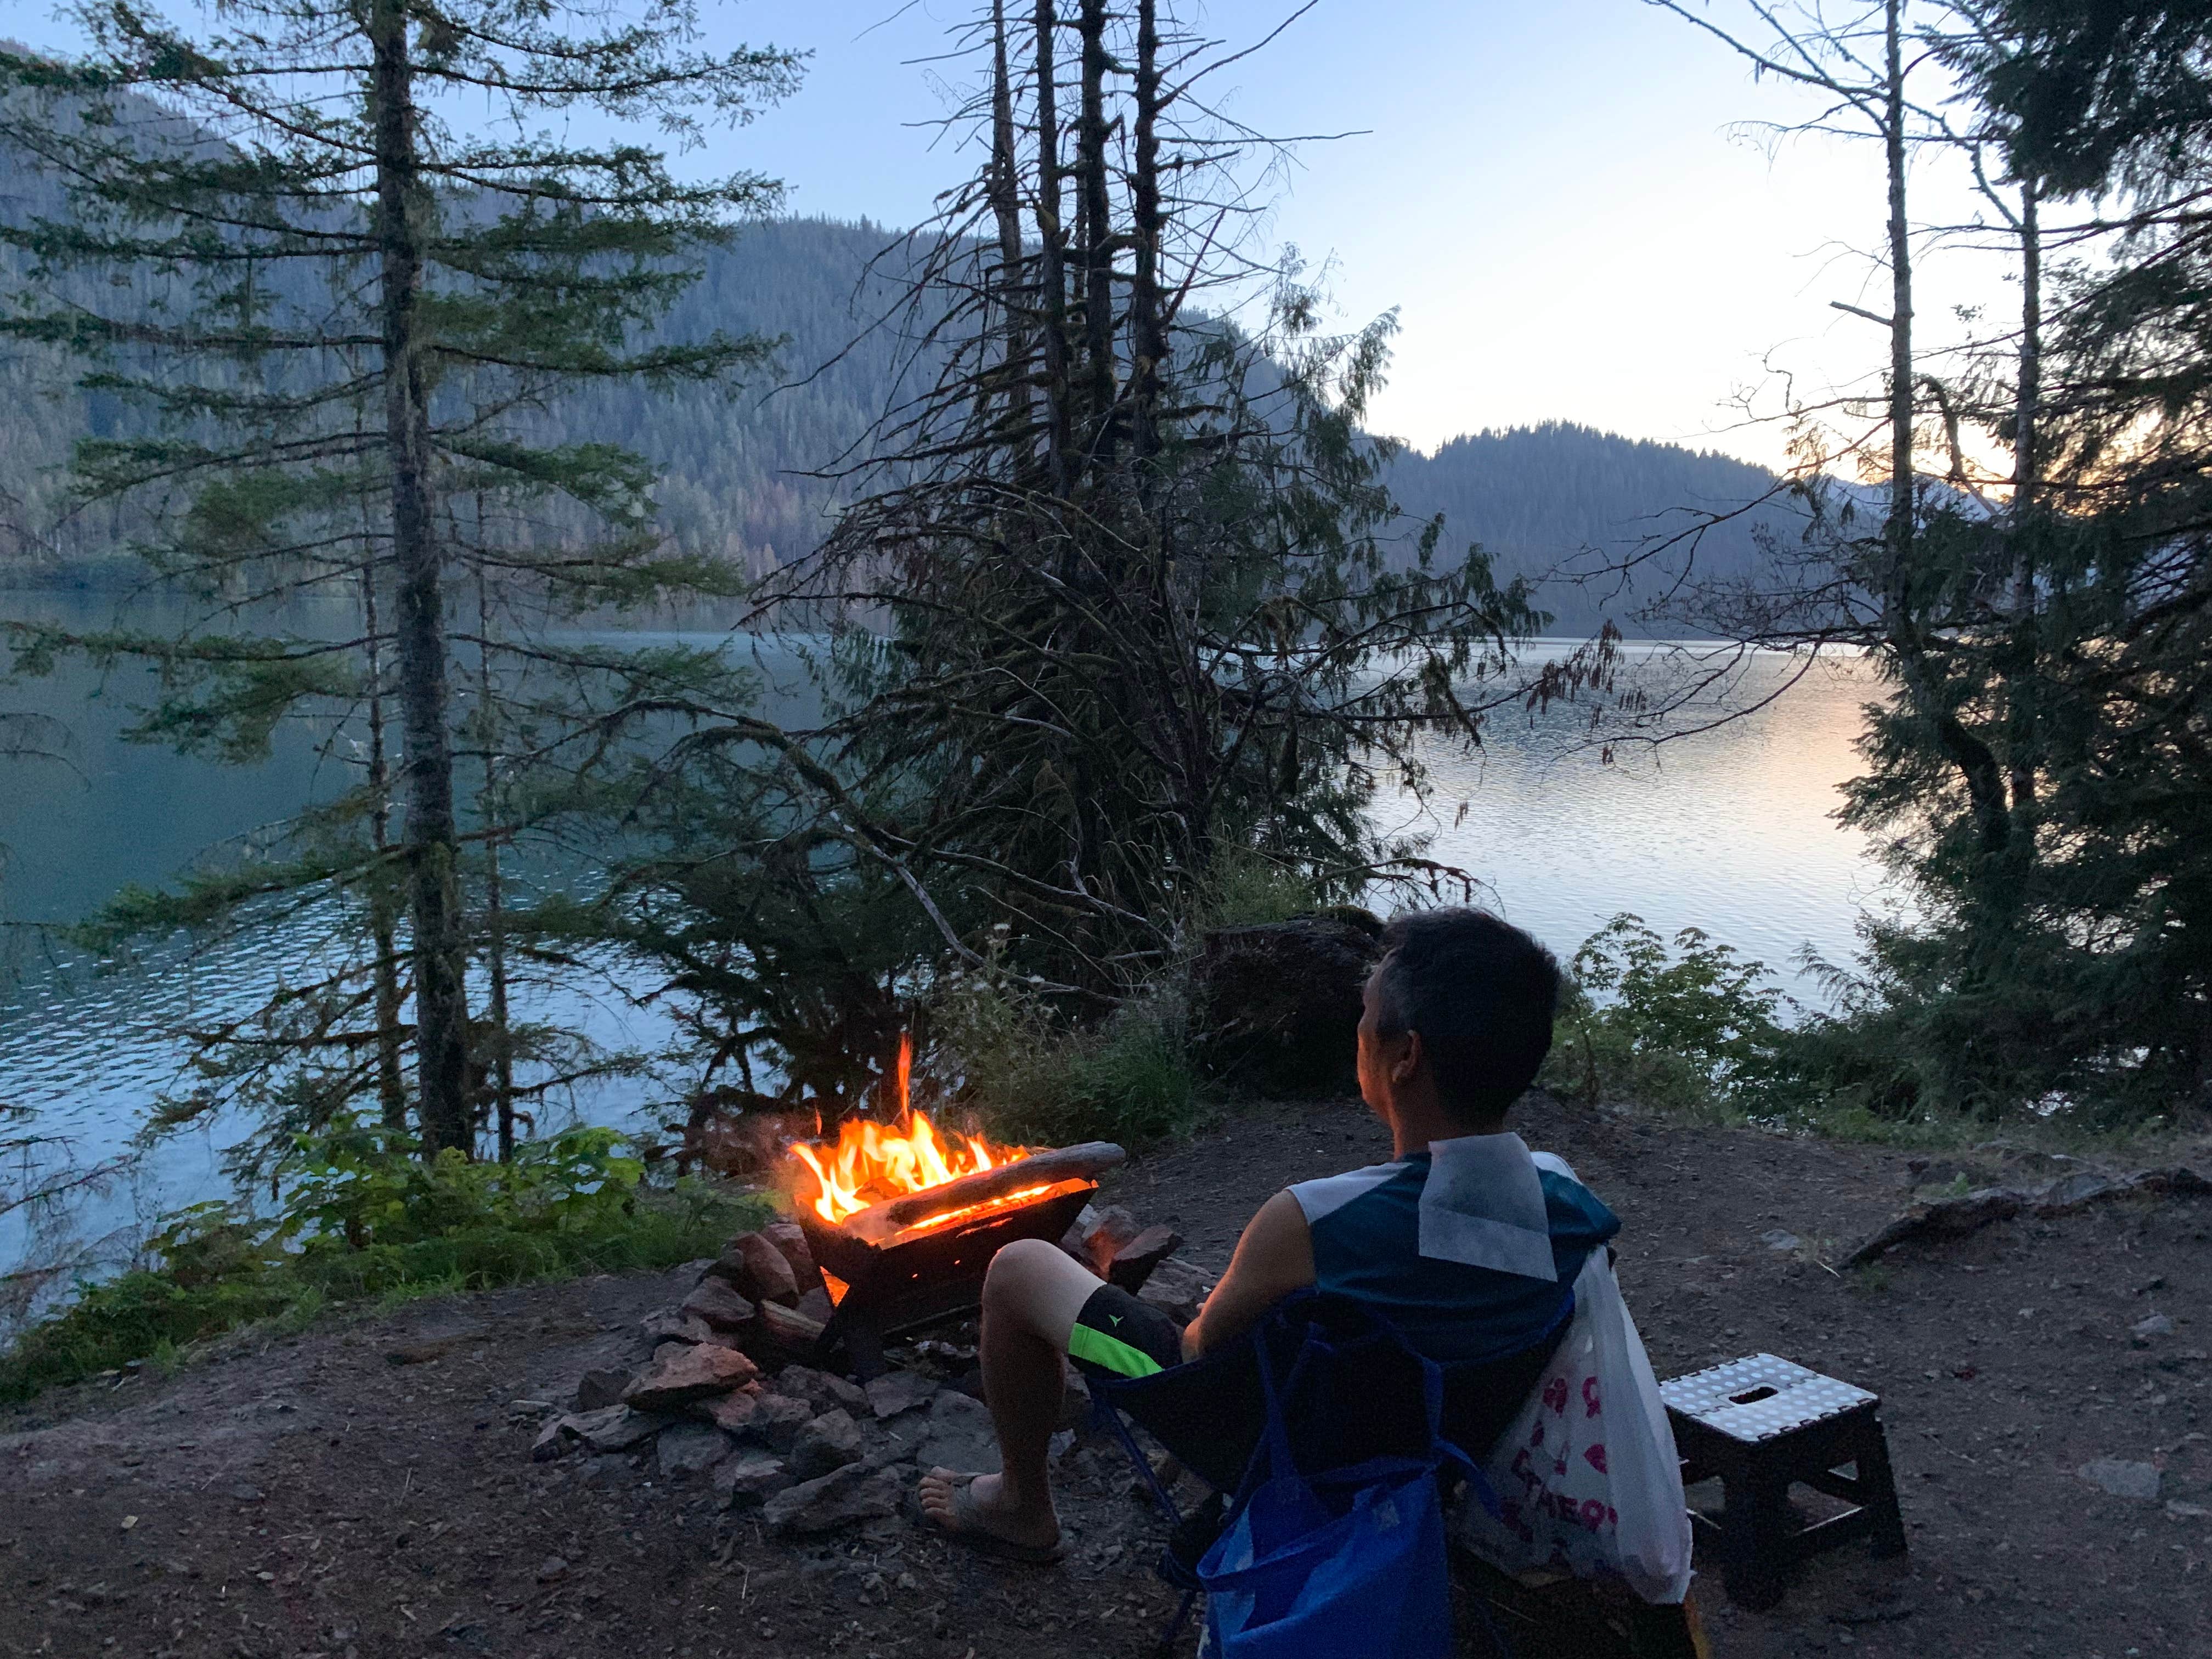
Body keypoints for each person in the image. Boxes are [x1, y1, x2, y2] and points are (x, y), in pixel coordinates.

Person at [917, 906, 1621, 1562]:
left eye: (1366, 1014)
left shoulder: (1312, 1220)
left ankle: (1021, 1508)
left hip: (1277, 1449)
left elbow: (1198, 1352)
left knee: (1018, 1268)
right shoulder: (1571, 1206)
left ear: (1405, 1057)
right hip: (1445, 1448)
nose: (1357, 1029)